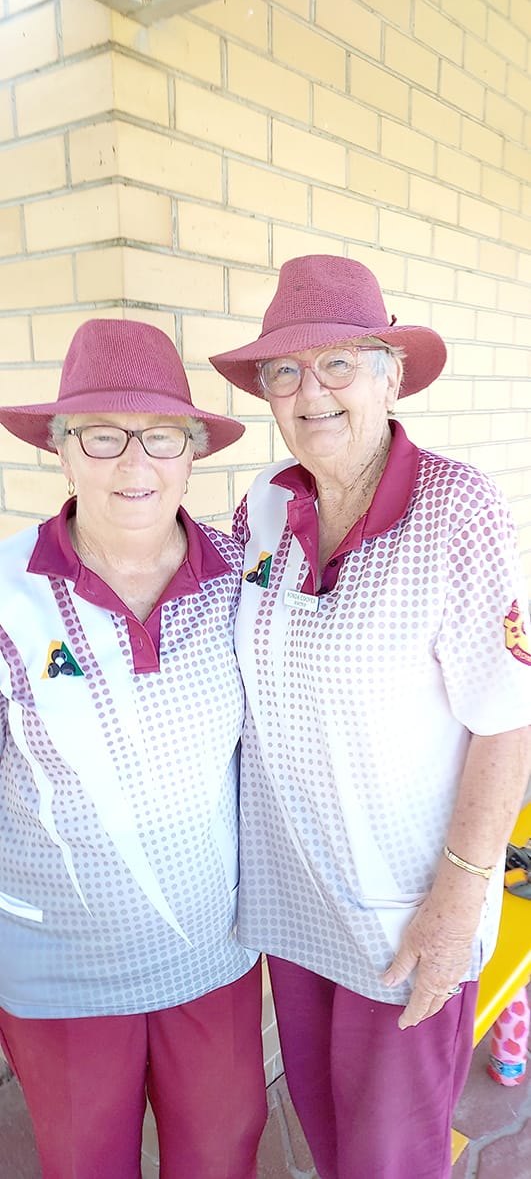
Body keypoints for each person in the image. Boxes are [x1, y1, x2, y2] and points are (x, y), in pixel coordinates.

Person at [210, 254, 531, 1179]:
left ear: (391, 374)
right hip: (291, 893)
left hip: (406, 912)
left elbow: (505, 722)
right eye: (284, 371)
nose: (309, 392)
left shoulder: (456, 507)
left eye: (338, 362)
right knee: (323, 1131)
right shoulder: (265, 505)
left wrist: (457, 902)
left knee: (389, 1156)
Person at [0, 318, 267, 1179]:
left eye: (160, 437)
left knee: (221, 1152)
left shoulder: (243, 581)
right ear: (61, 450)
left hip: (211, 949)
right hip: (60, 969)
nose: (134, 463)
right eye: (102, 436)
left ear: (191, 454)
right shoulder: (7, 594)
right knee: (85, 1164)